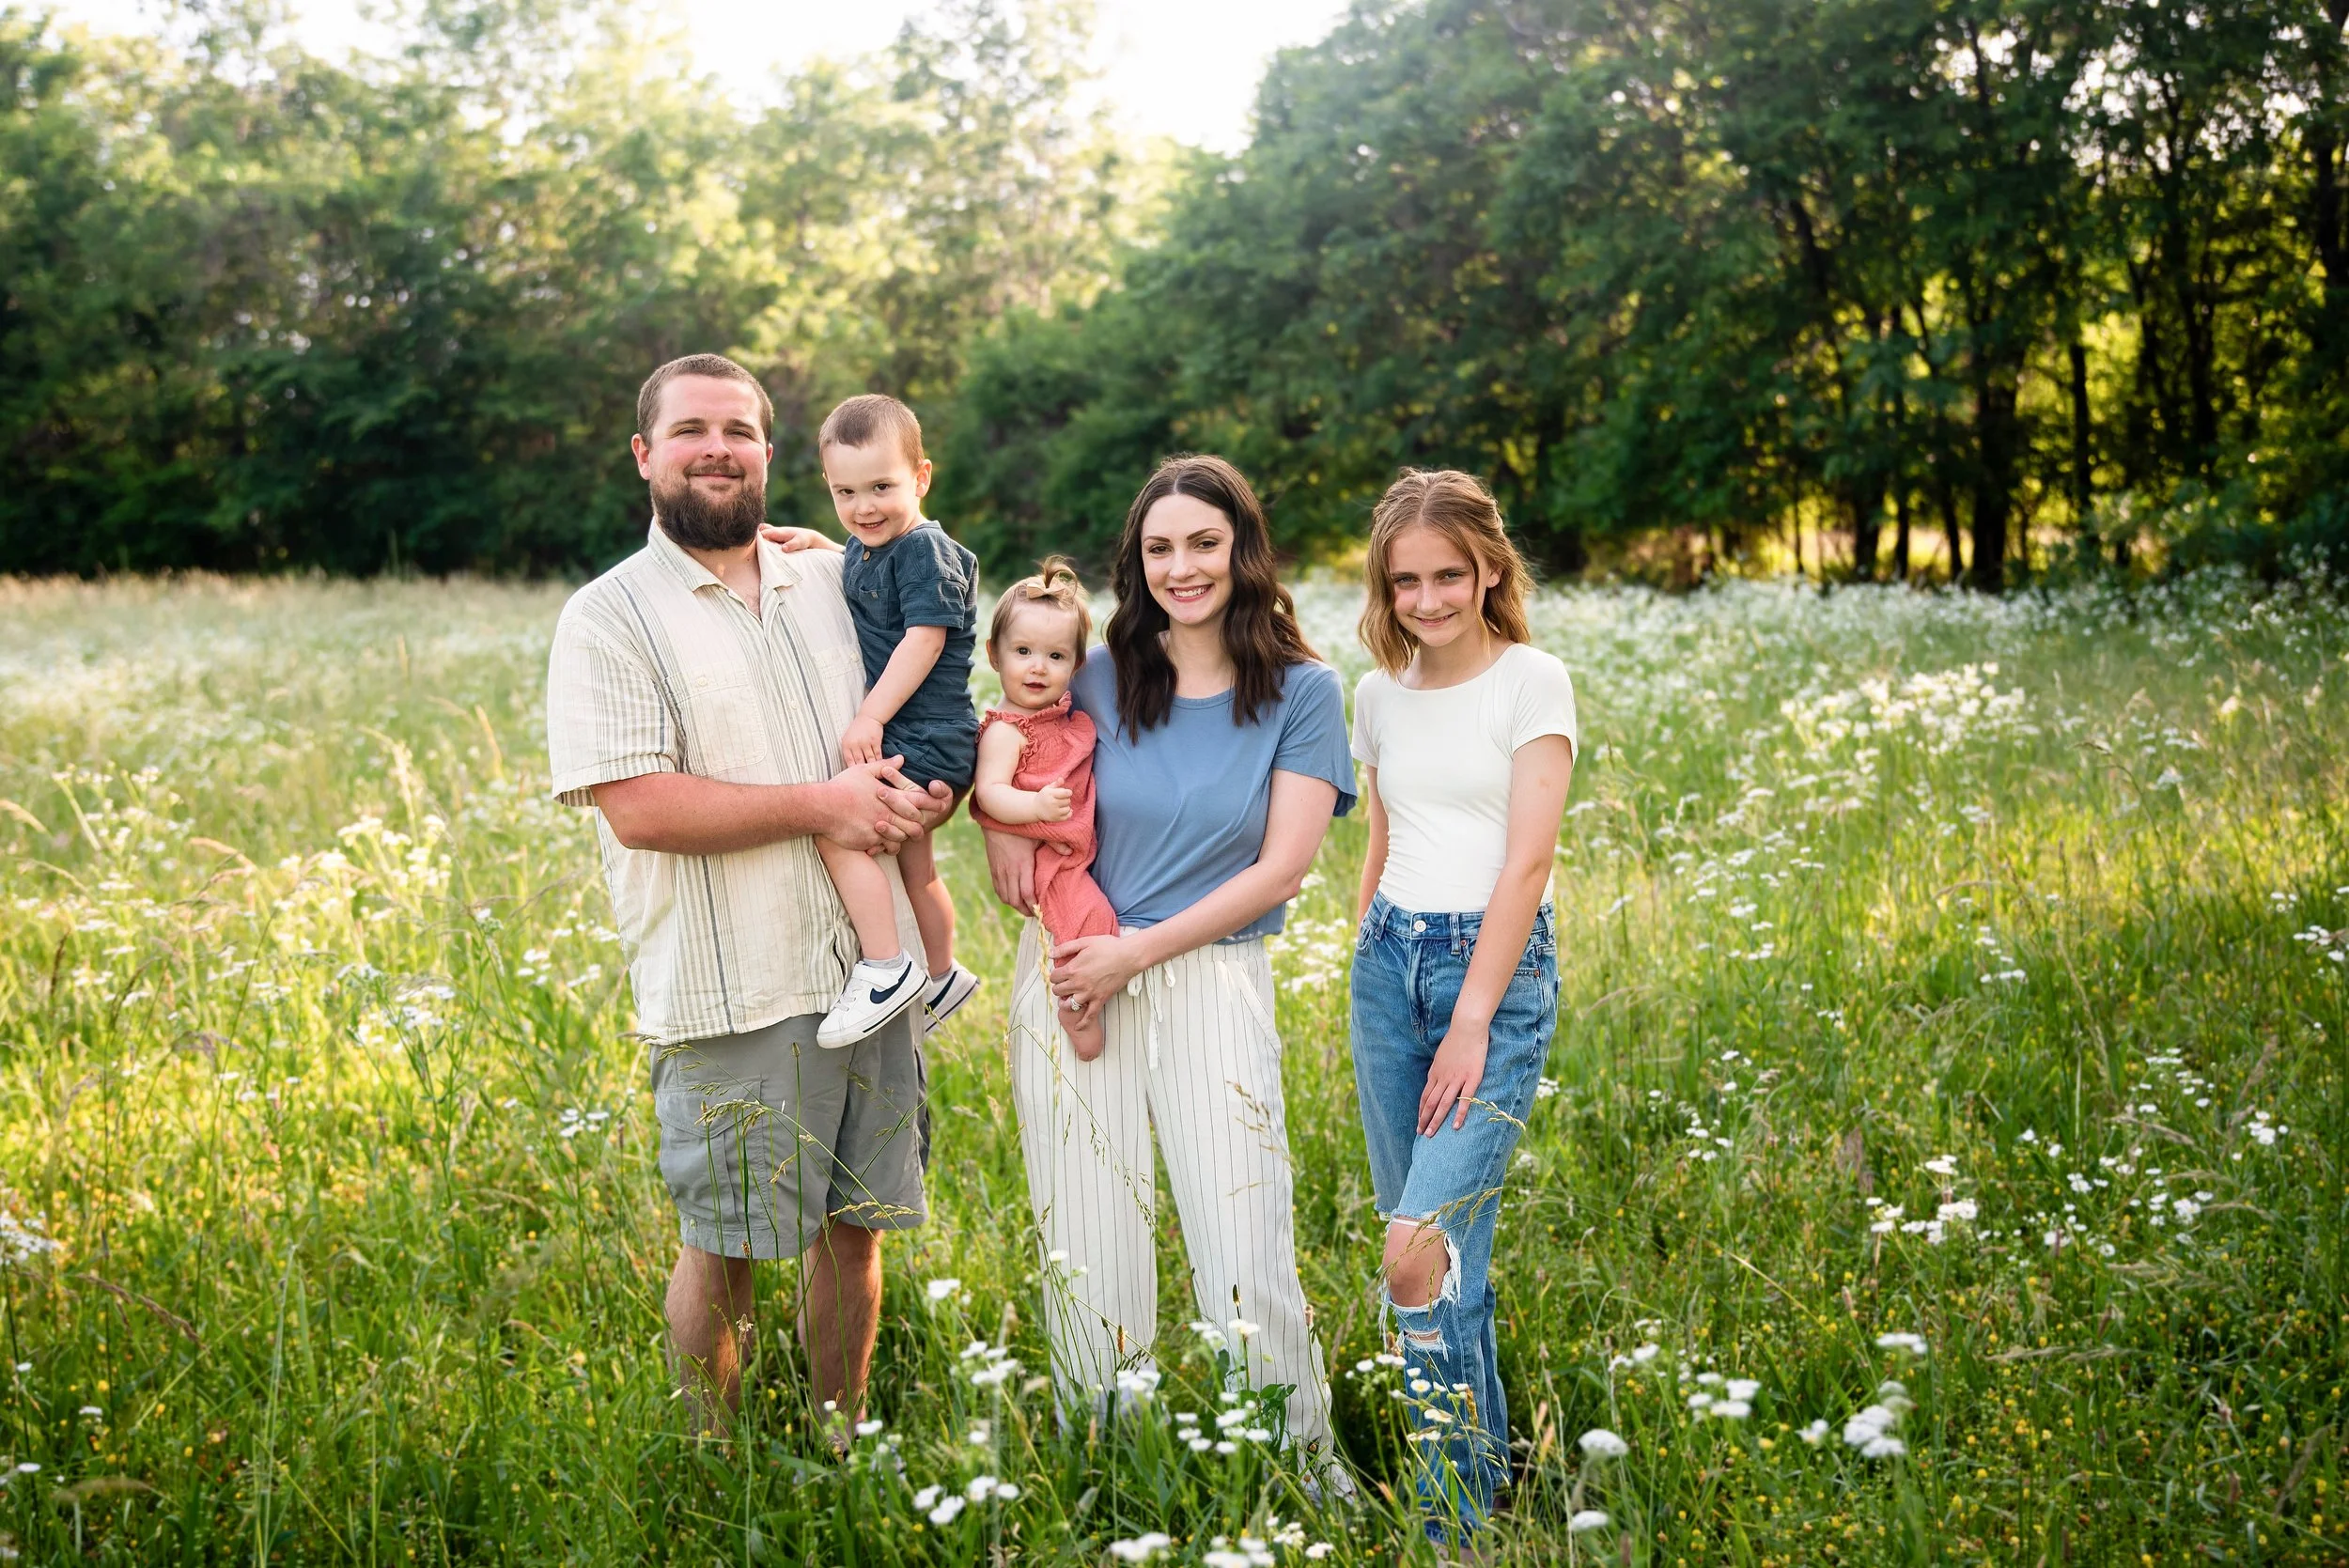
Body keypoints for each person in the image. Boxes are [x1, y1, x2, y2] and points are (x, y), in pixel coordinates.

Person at [543, 353, 950, 1436]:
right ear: (645, 455)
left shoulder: (837, 577)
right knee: (723, 1239)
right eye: (689, 430)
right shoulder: (609, 616)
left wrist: (929, 795)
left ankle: (838, 1436)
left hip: (868, 970)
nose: (715, 447)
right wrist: (824, 804)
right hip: (733, 979)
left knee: (852, 1228)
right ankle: (711, 1463)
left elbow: (931, 680)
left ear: (771, 452)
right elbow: (639, 807)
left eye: (738, 429)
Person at [982, 455, 1354, 1471]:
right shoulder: (1095, 675)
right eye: (1158, 548)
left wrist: (1134, 954)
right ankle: (1111, 1463)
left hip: (1206, 970)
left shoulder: (1304, 692)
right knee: (1087, 1232)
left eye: (1203, 543)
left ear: (1243, 550)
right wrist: (997, 827)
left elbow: (1282, 869)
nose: (1180, 567)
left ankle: (1297, 1465)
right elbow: (1003, 744)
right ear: (1133, 562)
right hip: (1066, 966)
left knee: (1243, 1237)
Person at [1346, 469, 1577, 1543]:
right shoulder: (1377, 693)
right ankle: (1486, 1480)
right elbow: (1381, 837)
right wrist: (1363, 955)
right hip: (1388, 968)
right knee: (1442, 1260)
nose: (1429, 598)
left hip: (1494, 974)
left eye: (1448, 574)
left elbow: (1527, 862)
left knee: (1412, 1249)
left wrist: (1475, 1014)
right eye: (1407, 581)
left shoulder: (1532, 680)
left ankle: (1450, 1529)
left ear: (1489, 567)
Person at [809, 394, 984, 1048]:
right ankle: (942, 975)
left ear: (922, 477)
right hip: (925, 737)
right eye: (845, 492)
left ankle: (886, 970)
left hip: (924, 737)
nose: (864, 508)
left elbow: (925, 639)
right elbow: (875, 571)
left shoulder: (926, 550)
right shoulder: (870, 546)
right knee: (918, 869)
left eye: (882, 486)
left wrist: (868, 716)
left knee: (838, 831)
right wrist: (827, 548)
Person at [968, 559, 1117, 1063]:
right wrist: (1032, 804)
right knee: (1090, 922)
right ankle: (1077, 1008)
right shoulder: (1008, 730)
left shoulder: (1063, 718)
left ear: (1077, 665)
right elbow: (989, 792)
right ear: (994, 655)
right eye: (1023, 651)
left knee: (1091, 921)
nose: (1037, 667)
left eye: (1055, 655)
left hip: (1070, 850)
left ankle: (1083, 995)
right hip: (1049, 860)